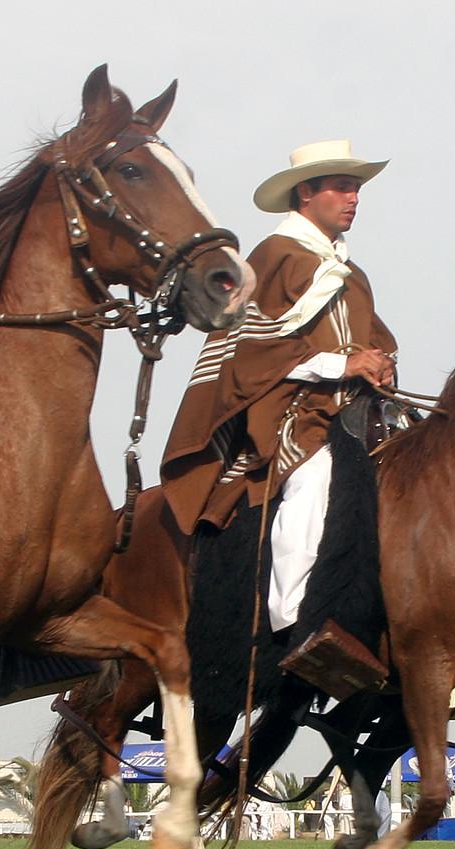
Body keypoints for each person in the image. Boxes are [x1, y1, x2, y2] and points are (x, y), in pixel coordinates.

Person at [161, 140, 397, 643]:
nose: (354, 198)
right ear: (306, 193)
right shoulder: (272, 255)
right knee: (315, 480)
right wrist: (343, 363)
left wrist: (379, 361)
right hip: (291, 410)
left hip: (355, 412)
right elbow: (253, 348)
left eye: (356, 188)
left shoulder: (352, 273)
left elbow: (372, 339)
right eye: (342, 187)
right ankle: (295, 622)